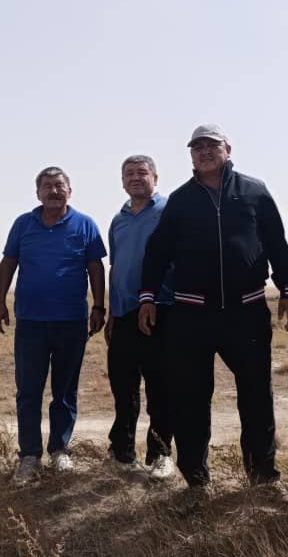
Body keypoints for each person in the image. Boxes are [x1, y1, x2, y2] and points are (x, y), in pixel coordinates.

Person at [139, 124, 288, 495]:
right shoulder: (181, 200)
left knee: (257, 396)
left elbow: (276, 243)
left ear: (228, 149)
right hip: (191, 314)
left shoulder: (255, 191)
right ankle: (196, 481)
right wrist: (147, 296)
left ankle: (262, 477)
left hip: (247, 311)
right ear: (191, 156)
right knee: (191, 399)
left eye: (212, 145)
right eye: (198, 147)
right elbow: (157, 252)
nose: (205, 151)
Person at [0, 166, 107, 485]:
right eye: (47, 186)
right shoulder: (23, 224)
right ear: (38, 193)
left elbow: (95, 267)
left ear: (69, 191)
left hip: (71, 321)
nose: (53, 191)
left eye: (59, 185)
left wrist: (98, 306)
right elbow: (9, 262)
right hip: (31, 321)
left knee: (65, 391)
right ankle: (29, 455)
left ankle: (60, 450)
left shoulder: (85, 224)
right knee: (28, 390)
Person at [104, 155, 175, 480]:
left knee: (160, 388)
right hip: (123, 315)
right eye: (129, 174)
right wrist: (111, 312)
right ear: (122, 182)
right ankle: (121, 453)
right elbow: (115, 267)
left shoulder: (169, 212)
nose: (135, 178)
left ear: (155, 178)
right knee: (123, 389)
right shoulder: (118, 220)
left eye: (142, 172)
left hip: (160, 311)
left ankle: (160, 455)